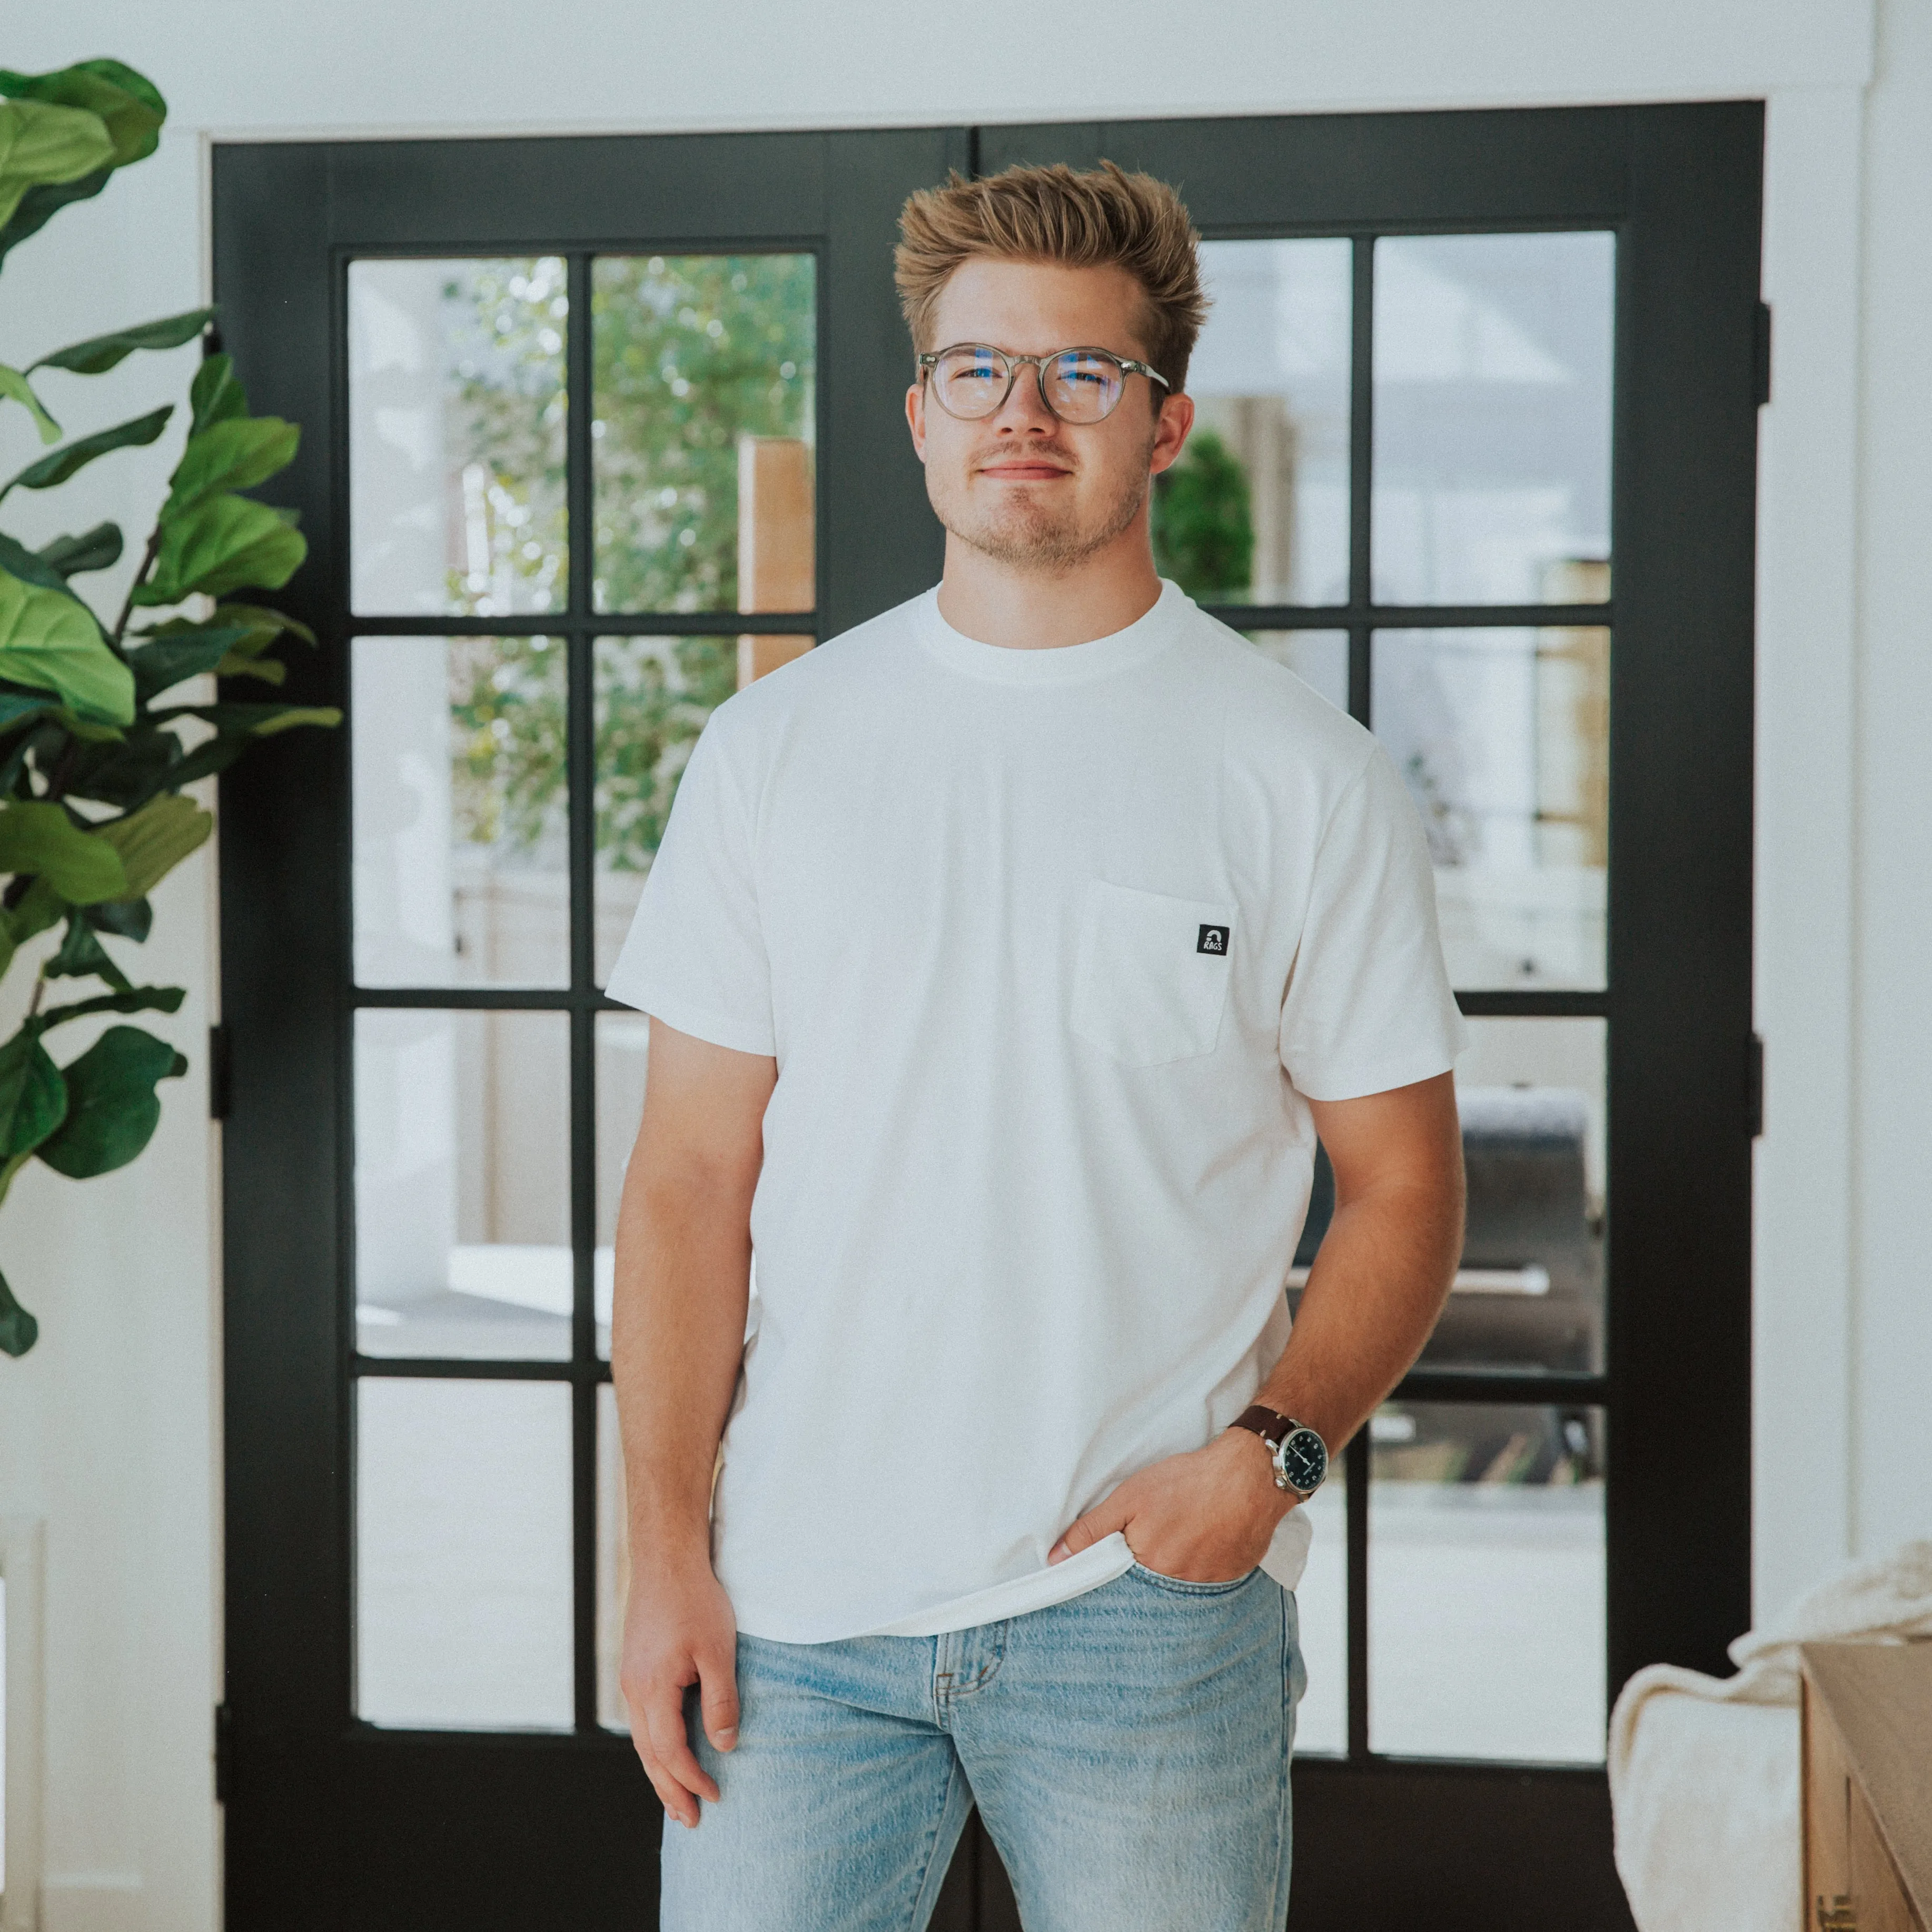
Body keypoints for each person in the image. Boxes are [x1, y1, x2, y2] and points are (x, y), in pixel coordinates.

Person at [607, 161, 1468, 1932]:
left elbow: (1401, 1186)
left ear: (1162, 425)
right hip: (798, 1614)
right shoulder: (773, 755)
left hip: (1142, 1618)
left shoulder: (1299, 776)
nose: (1024, 411)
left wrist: (1274, 1454)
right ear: (919, 415)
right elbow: (689, 1179)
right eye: (978, 370)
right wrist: (663, 1556)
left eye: (1082, 372)